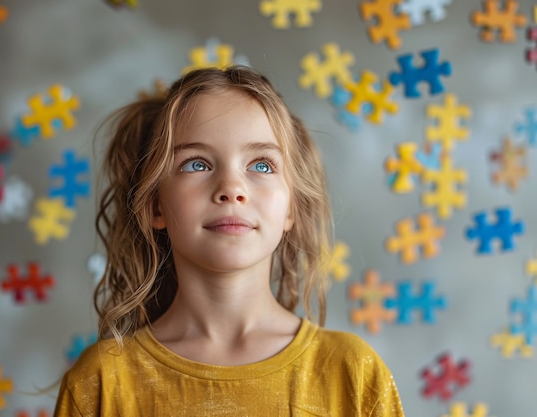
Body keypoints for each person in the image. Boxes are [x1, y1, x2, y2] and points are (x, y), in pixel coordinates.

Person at [53, 66, 405, 416]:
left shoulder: (354, 373)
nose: (231, 188)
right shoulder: (100, 382)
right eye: (196, 164)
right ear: (154, 205)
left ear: (290, 209)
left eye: (262, 165)